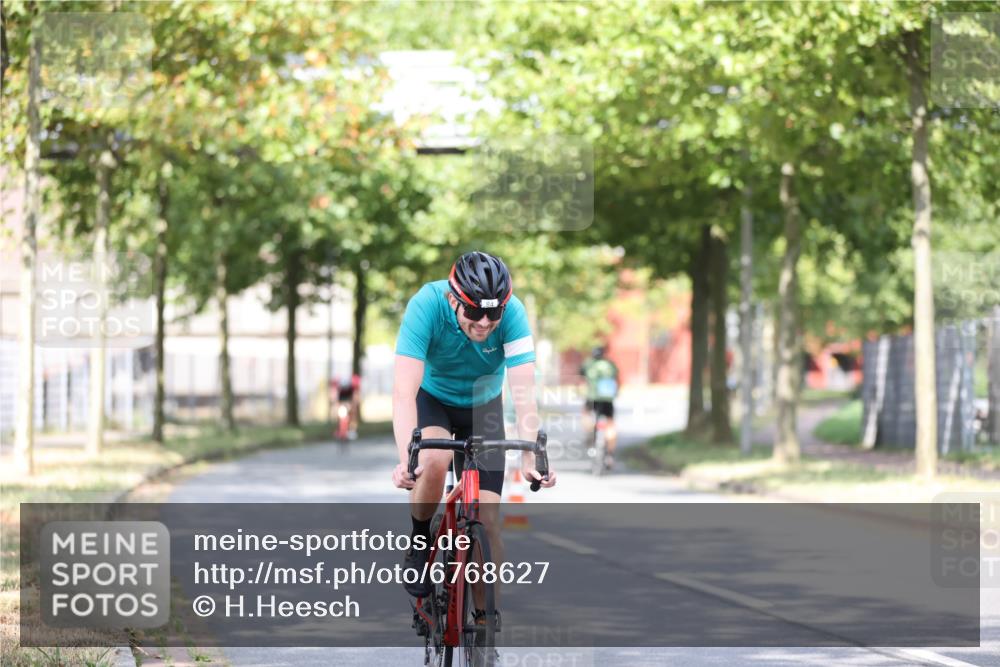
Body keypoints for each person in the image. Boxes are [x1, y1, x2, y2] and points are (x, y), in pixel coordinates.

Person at [391, 251, 557, 606]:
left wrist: (531, 456)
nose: (484, 322)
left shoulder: (514, 313)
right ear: (454, 299)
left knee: (489, 522)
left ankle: (483, 630)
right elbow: (404, 393)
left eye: (493, 313)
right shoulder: (426, 304)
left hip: (485, 406)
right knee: (432, 462)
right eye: (474, 311)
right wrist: (407, 458)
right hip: (433, 400)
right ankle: (419, 541)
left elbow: (524, 393)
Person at [581, 345, 619, 468]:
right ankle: (610, 455)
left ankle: (589, 435)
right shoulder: (610, 365)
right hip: (607, 399)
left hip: (592, 398)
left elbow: (581, 377)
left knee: (586, 414)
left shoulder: (588, 364)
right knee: (610, 424)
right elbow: (617, 380)